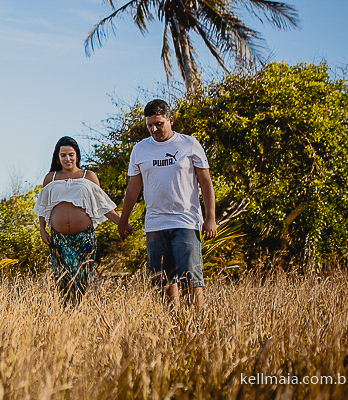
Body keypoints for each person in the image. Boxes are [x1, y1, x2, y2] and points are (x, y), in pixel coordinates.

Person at [118, 99, 217, 312]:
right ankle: (171, 329)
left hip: (186, 222)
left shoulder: (189, 144)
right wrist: (123, 220)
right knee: (163, 281)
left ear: (170, 120)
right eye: (150, 125)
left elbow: (206, 182)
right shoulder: (140, 149)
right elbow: (133, 189)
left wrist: (210, 218)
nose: (154, 129)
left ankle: (197, 329)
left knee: (191, 280)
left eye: (159, 123)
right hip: (155, 225)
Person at [34, 136, 127, 304]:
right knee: (63, 279)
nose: (67, 159)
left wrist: (122, 224)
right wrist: (42, 229)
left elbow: (104, 206)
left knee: (83, 278)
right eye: (63, 155)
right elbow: (42, 206)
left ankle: (84, 312)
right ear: (57, 157)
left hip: (84, 237)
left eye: (71, 154)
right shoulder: (51, 178)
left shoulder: (88, 176)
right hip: (58, 238)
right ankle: (68, 317)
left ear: (77, 155)